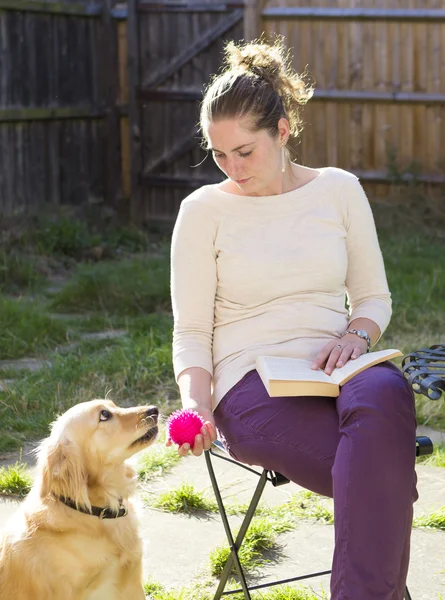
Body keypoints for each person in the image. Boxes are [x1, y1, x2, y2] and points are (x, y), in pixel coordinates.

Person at [168, 37, 417, 600]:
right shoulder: (203, 212)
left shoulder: (339, 191)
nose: (232, 168)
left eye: (245, 151)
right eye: (219, 155)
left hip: (340, 361)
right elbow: (191, 332)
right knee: (384, 475)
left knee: (386, 397)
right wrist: (196, 404)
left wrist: (357, 335)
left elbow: (374, 298)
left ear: (281, 131)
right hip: (249, 381)